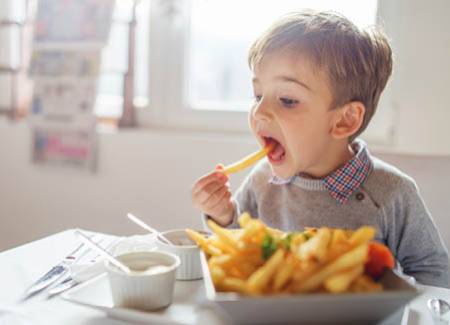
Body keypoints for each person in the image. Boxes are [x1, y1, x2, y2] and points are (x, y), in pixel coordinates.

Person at [191, 10, 449, 287]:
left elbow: (434, 271)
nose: (260, 112)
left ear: (344, 120)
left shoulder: (392, 192)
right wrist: (223, 215)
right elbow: (241, 249)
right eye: (257, 96)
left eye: (288, 100)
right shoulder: (262, 180)